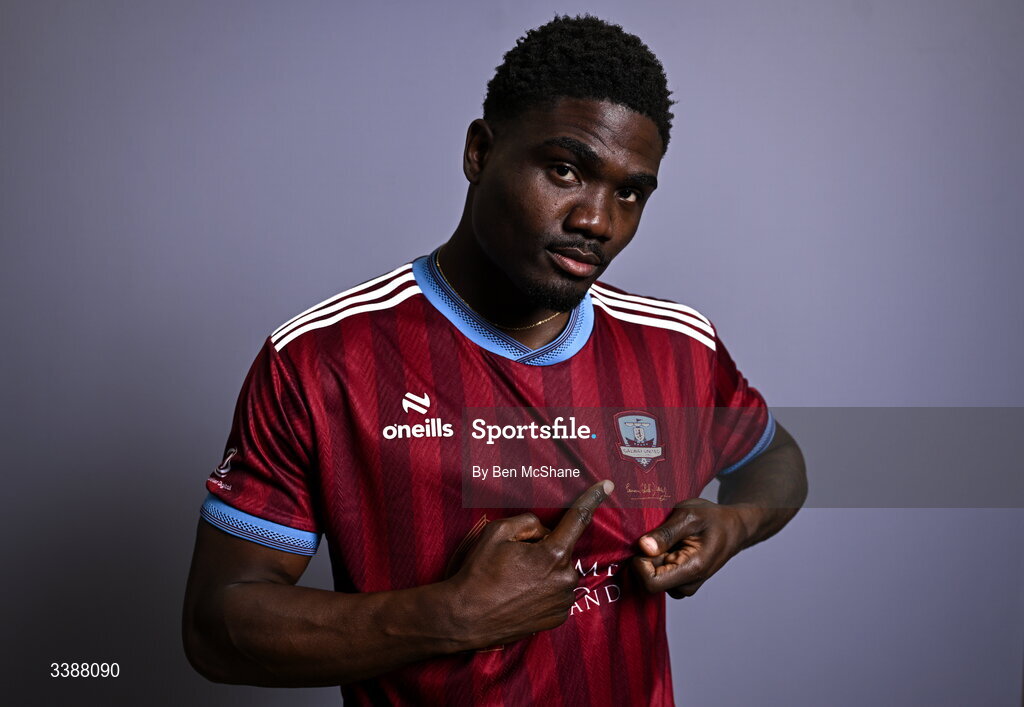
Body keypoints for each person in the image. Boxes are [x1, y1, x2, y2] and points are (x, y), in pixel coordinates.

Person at [183, 15, 807, 706]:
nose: (597, 220)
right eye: (565, 169)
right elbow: (217, 623)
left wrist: (731, 524)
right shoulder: (321, 361)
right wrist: (452, 615)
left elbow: (777, 461)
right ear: (480, 152)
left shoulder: (678, 345)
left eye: (629, 192)